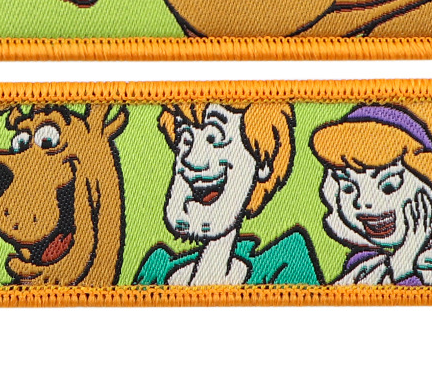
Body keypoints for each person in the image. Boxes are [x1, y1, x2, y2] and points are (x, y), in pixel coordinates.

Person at [133, 101, 320, 286]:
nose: (192, 159)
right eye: (186, 140)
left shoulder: (284, 264)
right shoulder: (155, 270)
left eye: (213, 139)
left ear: (263, 163)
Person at [309, 103, 432, 287]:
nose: (363, 202)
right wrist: (405, 258)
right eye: (348, 188)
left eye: (389, 186)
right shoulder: (363, 264)